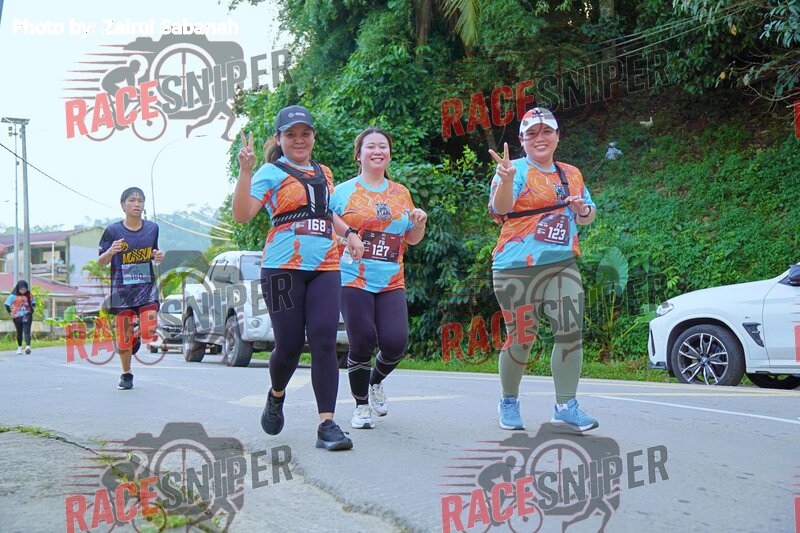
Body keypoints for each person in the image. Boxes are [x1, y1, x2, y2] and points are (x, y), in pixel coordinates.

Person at [233, 104, 360, 451]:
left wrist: (349, 233)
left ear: (313, 136)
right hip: (281, 268)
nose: (299, 140)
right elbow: (243, 214)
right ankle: (276, 395)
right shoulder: (270, 172)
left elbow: (326, 212)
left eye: (305, 133)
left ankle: (327, 425)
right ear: (279, 138)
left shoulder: (324, 172)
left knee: (324, 340)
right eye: (291, 134)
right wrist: (245, 171)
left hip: (325, 267)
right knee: (288, 346)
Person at [488, 108, 598, 432]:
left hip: (562, 263)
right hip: (516, 266)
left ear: (557, 137)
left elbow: (588, 215)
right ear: (522, 140)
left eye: (546, 131)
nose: (540, 138)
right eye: (532, 133)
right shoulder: (513, 169)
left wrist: (582, 209)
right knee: (522, 337)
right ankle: (509, 400)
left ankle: (566, 406)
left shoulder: (571, 173)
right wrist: (506, 180)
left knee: (570, 331)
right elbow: (500, 209)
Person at [329, 127, 427, 429]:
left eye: (382, 146)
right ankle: (361, 407)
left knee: (396, 342)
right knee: (362, 341)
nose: (377, 151)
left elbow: (411, 239)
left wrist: (419, 223)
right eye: (370, 146)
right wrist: (346, 237)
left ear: (389, 154)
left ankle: (374, 382)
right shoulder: (342, 192)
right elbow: (326, 227)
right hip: (352, 276)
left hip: (391, 279)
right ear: (358, 155)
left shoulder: (401, 193)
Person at [98, 187, 163, 390]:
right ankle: (126, 374)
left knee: (149, 329)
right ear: (123, 205)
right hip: (122, 292)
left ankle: (135, 335)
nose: (137, 204)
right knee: (124, 339)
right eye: (132, 200)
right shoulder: (112, 231)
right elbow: (101, 261)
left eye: (140, 200)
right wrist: (111, 251)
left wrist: (157, 256)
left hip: (146, 288)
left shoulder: (152, 228)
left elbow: (153, 252)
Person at [5, 280, 36, 354]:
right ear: (18, 288)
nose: (23, 291)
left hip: (27, 314)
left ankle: (28, 347)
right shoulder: (13, 295)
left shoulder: (29, 294)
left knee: (27, 330)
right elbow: (7, 304)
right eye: (21, 289)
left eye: (25, 289)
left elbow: (33, 302)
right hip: (17, 316)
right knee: (19, 332)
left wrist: (32, 308)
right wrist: (10, 312)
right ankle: (19, 347)